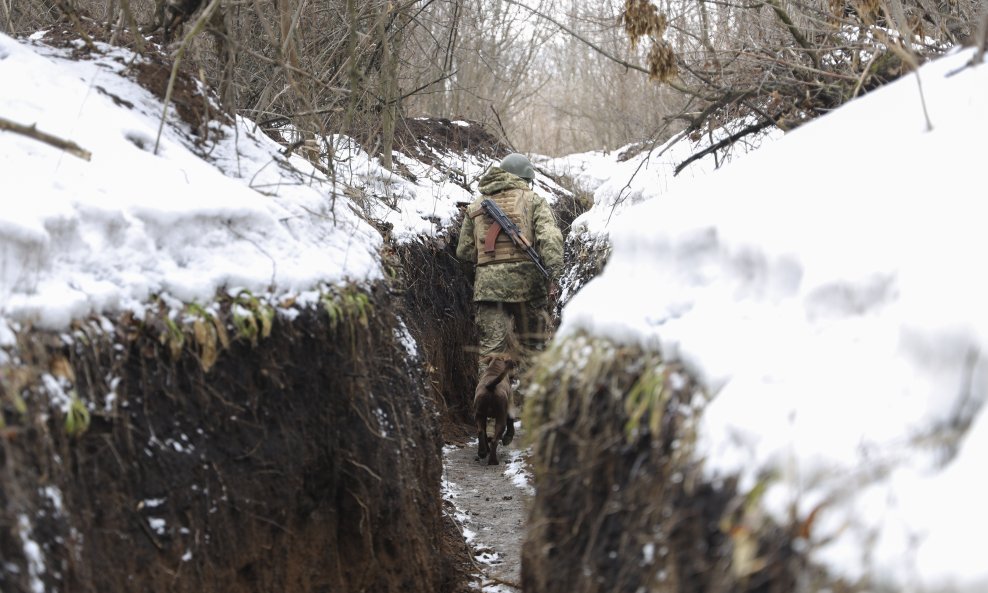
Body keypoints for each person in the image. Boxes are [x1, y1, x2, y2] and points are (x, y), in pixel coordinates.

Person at [456, 153, 564, 382]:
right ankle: (529, 413)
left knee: (491, 357)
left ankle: (491, 415)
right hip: (529, 288)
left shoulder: (476, 204)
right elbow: (550, 237)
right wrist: (555, 274)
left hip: (488, 290)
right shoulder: (533, 200)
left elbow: (464, 252)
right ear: (525, 178)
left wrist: (479, 279)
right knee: (531, 349)